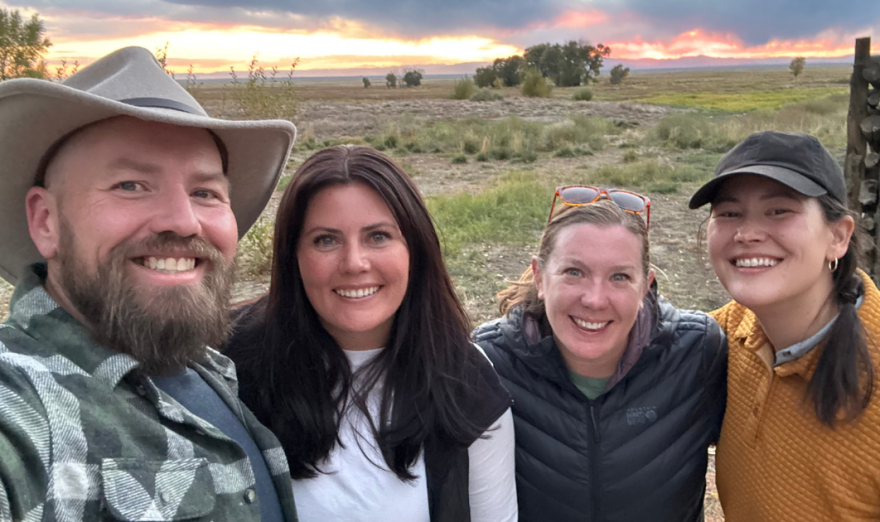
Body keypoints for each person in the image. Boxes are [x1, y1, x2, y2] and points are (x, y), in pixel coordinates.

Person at [0, 47, 299, 521]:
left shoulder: (206, 368)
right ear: (46, 221)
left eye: (205, 192)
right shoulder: (21, 408)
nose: (183, 222)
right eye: (131, 185)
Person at [224, 145, 517, 522]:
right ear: (292, 257)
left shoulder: (466, 381)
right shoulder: (229, 366)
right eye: (326, 240)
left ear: (415, 248)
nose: (354, 263)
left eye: (378, 236)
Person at [472, 189, 727, 522]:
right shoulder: (488, 363)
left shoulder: (697, 352)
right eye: (574, 272)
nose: (594, 299)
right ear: (540, 277)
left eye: (619, 277)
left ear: (644, 286)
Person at [689, 130, 880, 520]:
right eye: (729, 213)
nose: (747, 234)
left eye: (779, 211)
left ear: (838, 237)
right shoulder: (726, 334)